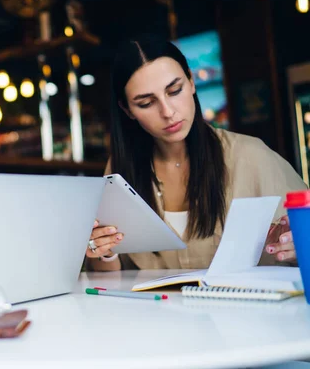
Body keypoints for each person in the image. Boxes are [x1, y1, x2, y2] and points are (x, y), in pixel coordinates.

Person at [86, 36, 307, 271]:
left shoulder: (250, 156)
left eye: (174, 90)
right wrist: (103, 252)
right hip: (155, 307)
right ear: (127, 110)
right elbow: (111, 278)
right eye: (146, 103)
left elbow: (302, 240)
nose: (168, 112)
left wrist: (298, 245)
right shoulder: (120, 170)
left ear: (191, 82)